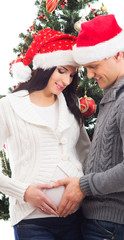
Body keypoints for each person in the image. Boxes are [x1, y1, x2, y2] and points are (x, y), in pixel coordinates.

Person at [53, 14, 124, 240]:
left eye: (93, 66)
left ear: (117, 54)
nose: (89, 75)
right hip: (104, 223)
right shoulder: (115, 94)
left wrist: (83, 186)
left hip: (113, 226)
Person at [0, 28, 90, 240]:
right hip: (31, 222)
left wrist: (83, 188)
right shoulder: (9, 106)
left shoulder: (72, 104)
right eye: (61, 70)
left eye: (72, 74)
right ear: (45, 66)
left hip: (75, 217)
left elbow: (87, 154)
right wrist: (23, 192)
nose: (67, 81)